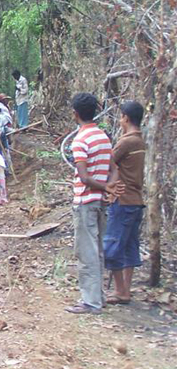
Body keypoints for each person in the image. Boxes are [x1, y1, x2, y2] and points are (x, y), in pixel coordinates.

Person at [66, 92, 114, 314]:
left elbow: (84, 177)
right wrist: (109, 190)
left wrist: (105, 188)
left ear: (75, 114)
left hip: (85, 201)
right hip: (100, 204)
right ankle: (99, 297)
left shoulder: (80, 140)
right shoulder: (103, 136)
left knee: (86, 252)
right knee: (97, 250)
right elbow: (114, 169)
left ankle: (91, 301)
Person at [103, 100, 146, 305]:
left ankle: (121, 291)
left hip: (123, 200)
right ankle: (125, 290)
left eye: (121, 117)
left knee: (112, 245)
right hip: (136, 201)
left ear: (125, 118)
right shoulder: (140, 141)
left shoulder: (126, 142)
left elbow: (108, 164)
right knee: (129, 245)